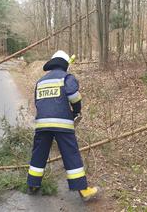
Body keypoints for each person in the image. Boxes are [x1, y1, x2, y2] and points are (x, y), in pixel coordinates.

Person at [26, 50, 98, 201]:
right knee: (70, 154)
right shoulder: (67, 77)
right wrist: (76, 111)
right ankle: (83, 190)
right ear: (65, 65)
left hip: (42, 124)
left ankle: (32, 185)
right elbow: (74, 97)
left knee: (39, 153)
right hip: (63, 124)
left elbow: (38, 103)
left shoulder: (41, 81)